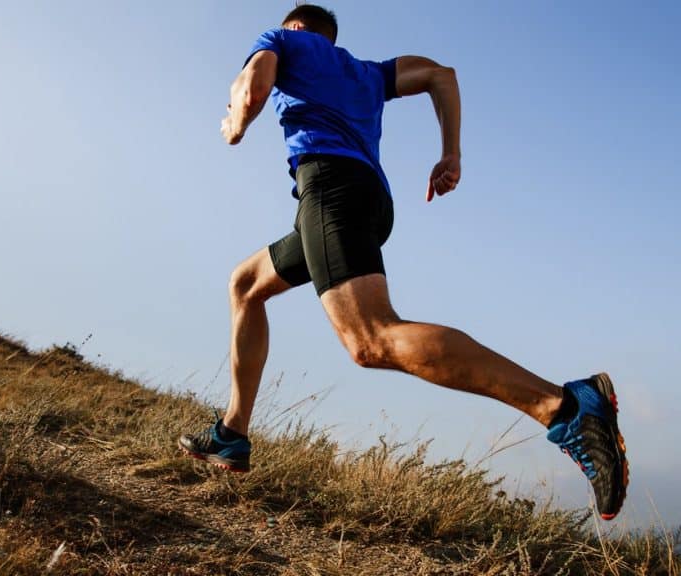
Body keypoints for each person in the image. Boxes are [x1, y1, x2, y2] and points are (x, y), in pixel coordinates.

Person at [179, 4, 628, 520]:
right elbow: (442, 75)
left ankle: (566, 408)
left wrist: (236, 121)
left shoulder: (284, 40)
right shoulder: (369, 73)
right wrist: (451, 152)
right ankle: (233, 433)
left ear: (296, 28)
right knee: (246, 284)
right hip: (364, 200)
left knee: (370, 339)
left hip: (331, 192)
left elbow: (252, 86)